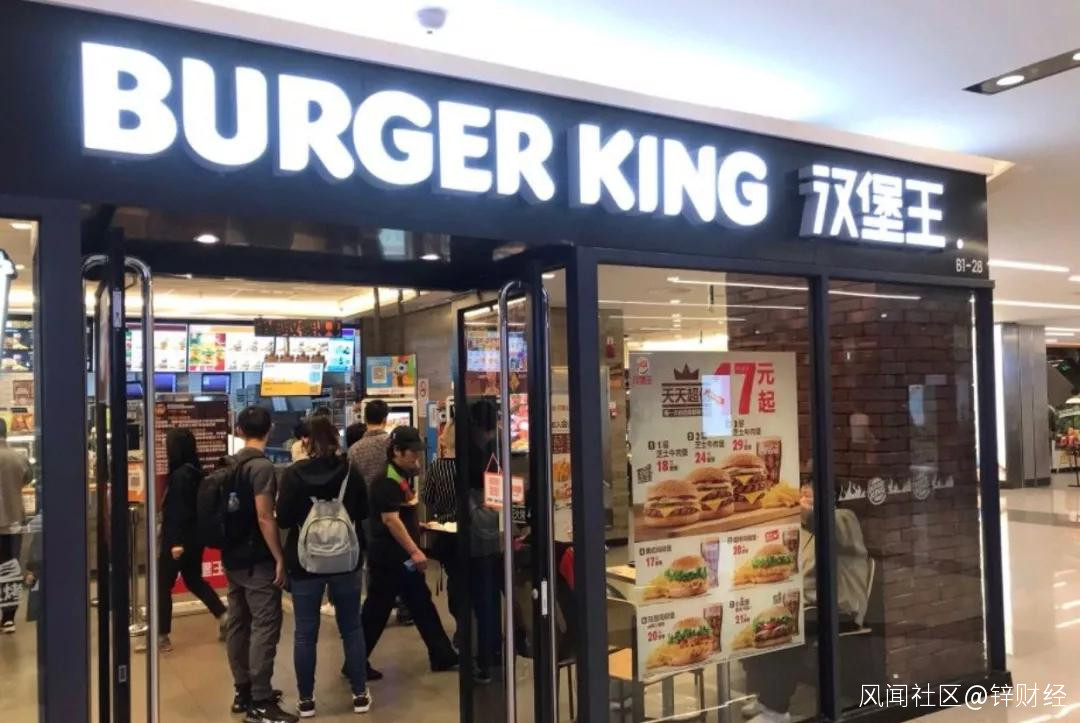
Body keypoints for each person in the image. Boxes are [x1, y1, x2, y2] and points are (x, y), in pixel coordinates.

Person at [742, 483, 872, 723]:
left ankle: (776, 710)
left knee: (784, 630)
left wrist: (791, 505)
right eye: (801, 496)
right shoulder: (801, 531)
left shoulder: (845, 519)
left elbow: (822, 522)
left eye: (809, 497)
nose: (803, 501)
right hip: (806, 604)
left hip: (839, 607)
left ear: (830, 497)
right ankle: (765, 697)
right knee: (754, 624)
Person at [277, 417, 371, 717]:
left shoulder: (293, 474)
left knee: (305, 633)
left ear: (306, 442)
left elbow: (283, 518)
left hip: (305, 562)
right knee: (351, 628)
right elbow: (363, 511)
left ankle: (306, 700)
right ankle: (359, 694)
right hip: (346, 560)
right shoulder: (349, 471)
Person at [360, 426, 458, 677]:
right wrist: (415, 551)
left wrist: (418, 526)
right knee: (377, 611)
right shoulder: (387, 481)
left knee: (419, 605)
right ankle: (355, 661)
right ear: (396, 451)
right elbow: (390, 520)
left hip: (397, 557)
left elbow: (400, 515)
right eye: (412, 452)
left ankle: (442, 655)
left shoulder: (399, 477)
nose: (416, 456)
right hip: (390, 558)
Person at [223, 406, 297, 723]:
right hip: (256, 559)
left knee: (238, 622)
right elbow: (265, 517)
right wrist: (279, 557)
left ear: (239, 430)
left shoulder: (229, 463)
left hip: (232, 556)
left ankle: (243, 691)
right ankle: (261, 700)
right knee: (265, 625)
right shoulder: (262, 468)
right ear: (271, 429)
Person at [157, 428, 227, 651]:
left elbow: (179, 511)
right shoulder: (195, 471)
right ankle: (223, 615)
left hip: (177, 539)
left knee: (163, 584)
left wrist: (176, 543)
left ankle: (161, 634)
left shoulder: (180, 476)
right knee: (193, 579)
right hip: (195, 537)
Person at [348, 399, 412, 629]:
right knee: (402, 554)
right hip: (396, 508)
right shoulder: (392, 444)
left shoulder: (354, 450)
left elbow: (351, 483)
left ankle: (376, 606)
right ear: (385, 418)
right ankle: (405, 607)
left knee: (373, 560)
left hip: (367, 512)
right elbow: (410, 470)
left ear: (365, 418)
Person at [421, 420, 462, 646]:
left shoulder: (437, 467)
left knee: (454, 580)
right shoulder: (474, 465)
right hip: (474, 531)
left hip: (446, 533)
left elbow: (427, 497)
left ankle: (461, 628)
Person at [0, 418, 31, 633]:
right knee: (11, 567)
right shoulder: (18, 457)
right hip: (13, 520)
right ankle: (9, 617)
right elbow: (27, 479)